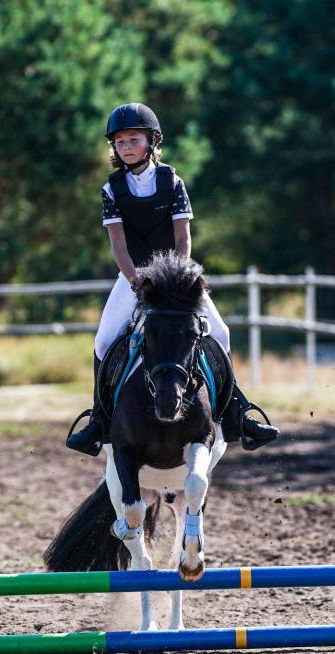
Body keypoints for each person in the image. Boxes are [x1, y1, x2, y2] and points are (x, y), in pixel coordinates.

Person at [66, 102, 279, 456]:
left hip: (177, 277)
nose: (126, 147)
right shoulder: (111, 190)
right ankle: (98, 422)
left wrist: (176, 280)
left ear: (152, 141)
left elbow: (183, 239)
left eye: (133, 139)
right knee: (104, 341)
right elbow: (119, 246)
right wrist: (137, 282)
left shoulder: (172, 182)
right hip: (133, 276)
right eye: (119, 142)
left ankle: (236, 415)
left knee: (221, 333)